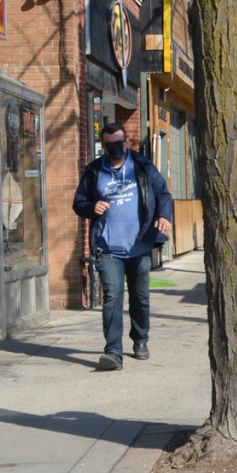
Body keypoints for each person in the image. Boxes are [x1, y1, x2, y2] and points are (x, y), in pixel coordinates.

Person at [73, 123, 174, 371]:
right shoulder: (94, 171)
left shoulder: (141, 166)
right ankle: (113, 352)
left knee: (140, 298)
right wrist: (90, 207)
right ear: (104, 146)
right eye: (110, 145)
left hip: (139, 246)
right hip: (108, 247)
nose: (115, 148)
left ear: (127, 142)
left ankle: (140, 340)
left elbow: (163, 194)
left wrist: (164, 216)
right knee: (112, 297)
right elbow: (79, 203)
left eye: (119, 143)